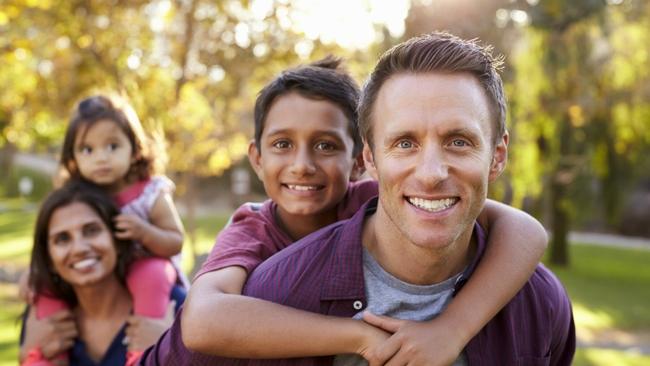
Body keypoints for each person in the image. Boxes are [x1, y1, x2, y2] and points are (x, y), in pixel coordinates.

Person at [143, 51, 560, 365]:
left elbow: (526, 231)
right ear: (256, 157)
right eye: (282, 144)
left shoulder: (375, 199)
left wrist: (453, 329)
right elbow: (202, 322)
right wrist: (357, 336)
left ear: (361, 162)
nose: (303, 165)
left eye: (326, 146)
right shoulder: (254, 232)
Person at [25, 94, 185, 365]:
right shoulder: (80, 197)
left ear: (135, 150)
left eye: (112, 146)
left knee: (152, 273)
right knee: (43, 288)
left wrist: (144, 231)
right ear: (72, 158)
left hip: (147, 263)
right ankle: (44, 357)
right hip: (107, 278)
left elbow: (175, 240)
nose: (101, 159)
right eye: (88, 150)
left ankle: (143, 353)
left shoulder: (149, 192)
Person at [19, 181, 185, 366]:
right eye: (62, 239)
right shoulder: (42, 322)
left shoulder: (177, 309)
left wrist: (166, 356)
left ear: (118, 241)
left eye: (91, 231)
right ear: (49, 259)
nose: (79, 248)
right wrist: (28, 353)